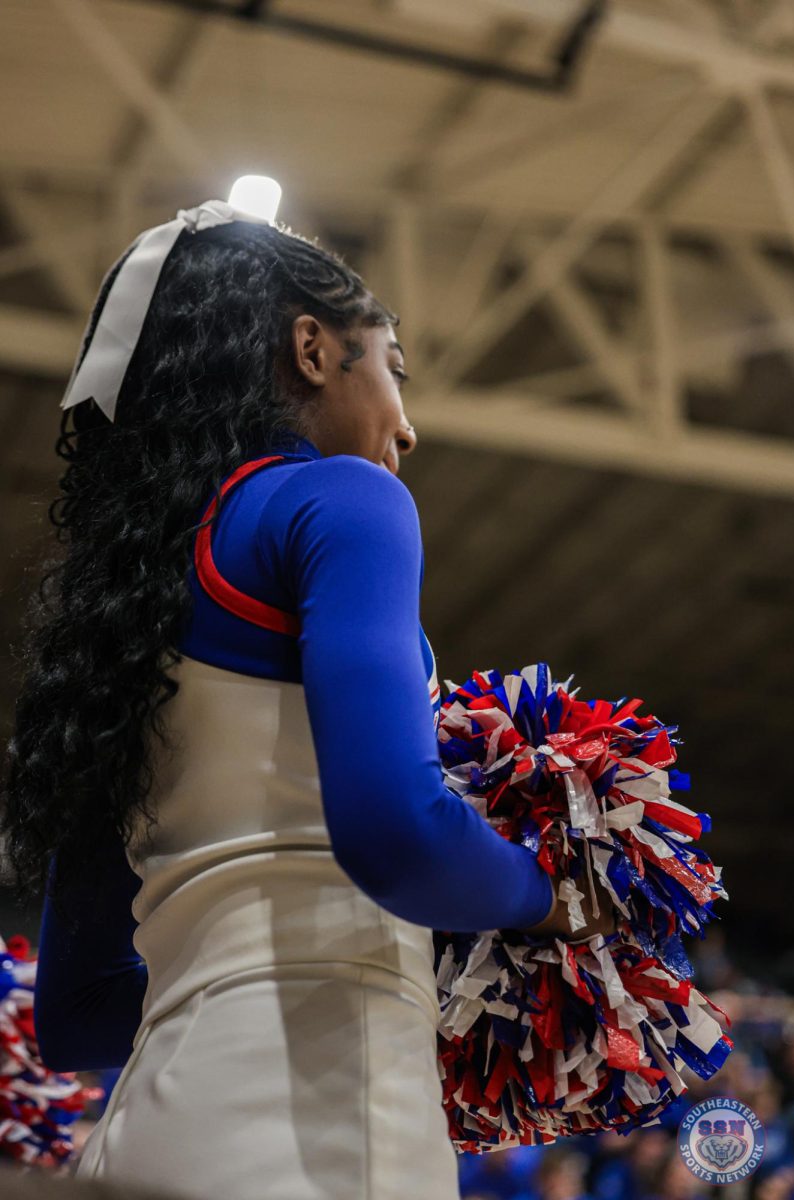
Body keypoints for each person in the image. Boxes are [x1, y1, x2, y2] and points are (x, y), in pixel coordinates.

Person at [1, 202, 607, 1200]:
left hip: (142, 1140)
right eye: (392, 368)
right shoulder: (340, 500)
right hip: (317, 1133)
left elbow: (76, 1015)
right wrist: (559, 898)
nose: (404, 425)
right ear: (313, 349)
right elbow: (397, 836)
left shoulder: (117, 616)